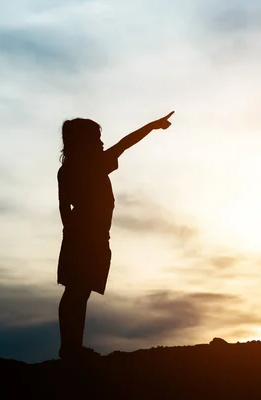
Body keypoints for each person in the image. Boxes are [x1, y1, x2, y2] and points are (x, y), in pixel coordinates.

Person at [56, 111, 174, 362]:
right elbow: (125, 144)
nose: (101, 143)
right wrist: (152, 126)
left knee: (77, 292)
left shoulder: (69, 169)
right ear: (83, 142)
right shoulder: (92, 165)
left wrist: (70, 232)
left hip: (87, 237)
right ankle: (70, 349)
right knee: (77, 293)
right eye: (96, 139)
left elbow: (63, 206)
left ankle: (71, 347)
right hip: (87, 238)